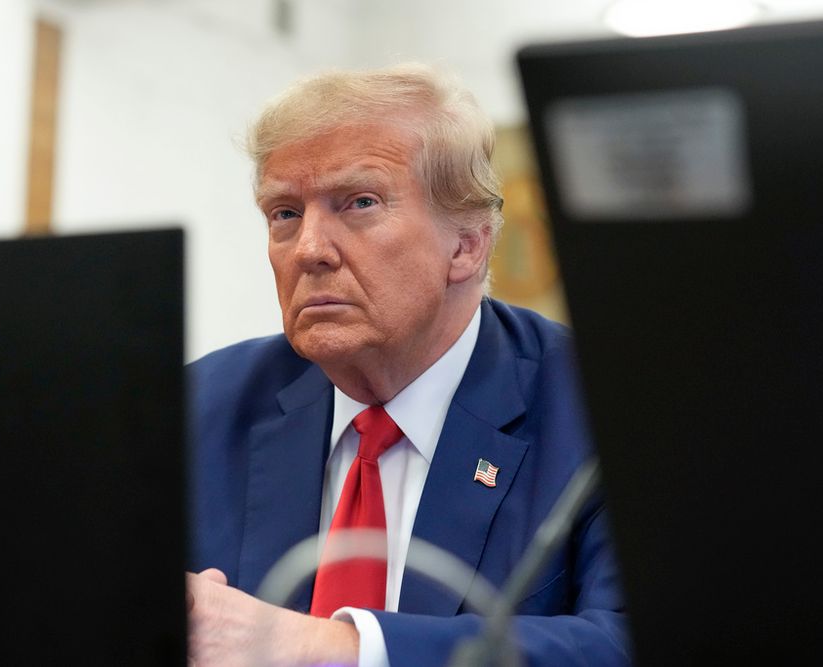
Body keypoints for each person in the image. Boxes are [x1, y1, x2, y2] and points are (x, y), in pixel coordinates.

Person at [185, 62, 629, 666]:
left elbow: (634, 641)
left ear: (467, 244)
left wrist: (338, 648)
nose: (310, 249)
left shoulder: (600, 403)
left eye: (359, 202)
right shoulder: (201, 405)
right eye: (285, 213)